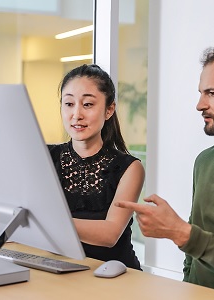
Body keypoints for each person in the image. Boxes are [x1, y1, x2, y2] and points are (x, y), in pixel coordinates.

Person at [117, 38, 214, 299]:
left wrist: (179, 232)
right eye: (200, 93)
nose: (200, 105)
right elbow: (194, 254)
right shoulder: (205, 161)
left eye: (211, 93)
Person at [48, 64, 145, 270]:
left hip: (114, 276)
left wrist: (46, 221)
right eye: (68, 104)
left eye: (88, 104)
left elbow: (109, 234)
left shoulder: (130, 168)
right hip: (58, 270)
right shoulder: (45, 157)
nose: (76, 114)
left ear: (109, 110)